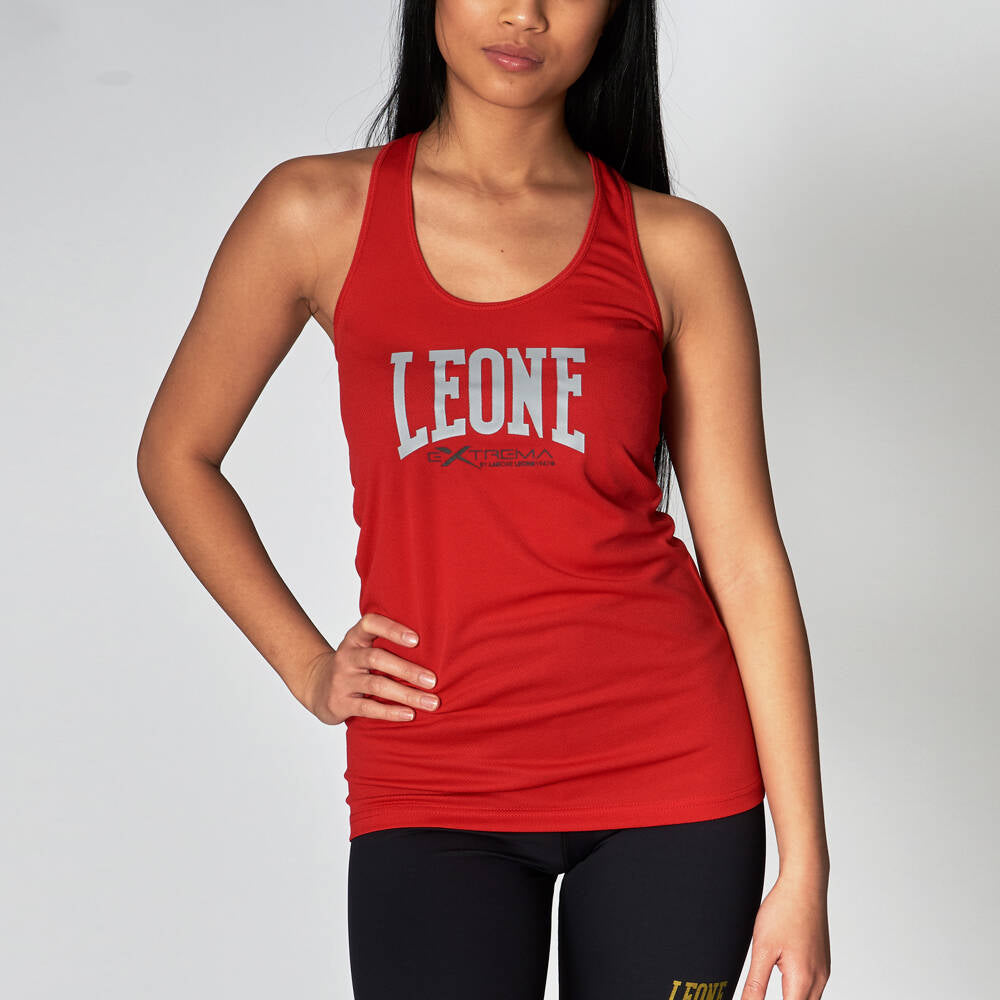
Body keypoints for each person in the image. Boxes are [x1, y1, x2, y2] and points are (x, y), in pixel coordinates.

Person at [137, 1, 831, 998]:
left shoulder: (676, 245)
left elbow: (747, 560)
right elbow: (177, 454)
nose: (524, 14)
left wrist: (803, 864)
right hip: (432, 780)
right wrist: (308, 667)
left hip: (674, 769)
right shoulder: (314, 212)